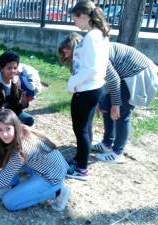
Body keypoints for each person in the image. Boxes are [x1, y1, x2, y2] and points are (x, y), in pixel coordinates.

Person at [59, 33, 158, 164]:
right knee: (105, 106)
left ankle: (117, 152)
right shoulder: (82, 58)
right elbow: (94, 81)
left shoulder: (96, 54)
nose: (66, 56)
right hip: (120, 75)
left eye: (68, 52)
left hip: (136, 72)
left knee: (121, 113)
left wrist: (116, 105)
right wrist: (99, 102)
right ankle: (107, 143)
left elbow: (114, 79)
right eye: (63, 52)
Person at [0, 109, 70, 212]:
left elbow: (3, 178)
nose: (4, 134)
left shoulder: (23, 148)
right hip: (41, 166)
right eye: (0, 130)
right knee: (0, 150)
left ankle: (58, 192)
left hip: (51, 177)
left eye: (8, 129)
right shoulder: (19, 131)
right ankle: (12, 185)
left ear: (15, 126)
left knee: (9, 202)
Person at [62, 1, 110, 180]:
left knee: (81, 129)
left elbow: (92, 69)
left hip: (87, 89)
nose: (75, 23)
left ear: (84, 15)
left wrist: (72, 83)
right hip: (93, 88)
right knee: (86, 128)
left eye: (75, 19)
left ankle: (81, 169)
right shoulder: (99, 35)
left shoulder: (92, 37)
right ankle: (80, 159)